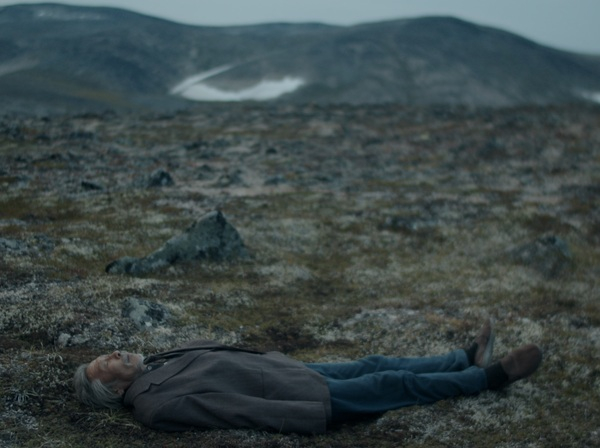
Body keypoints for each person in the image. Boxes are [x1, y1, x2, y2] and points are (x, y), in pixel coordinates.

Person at [73, 319, 542, 434]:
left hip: (287, 371)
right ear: (115, 389)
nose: (112, 354)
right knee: (390, 386)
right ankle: (489, 377)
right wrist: (305, 416)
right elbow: (234, 411)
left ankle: (464, 357)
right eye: (106, 365)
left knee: (373, 363)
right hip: (298, 397)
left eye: (105, 355)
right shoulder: (155, 404)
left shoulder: (156, 363)